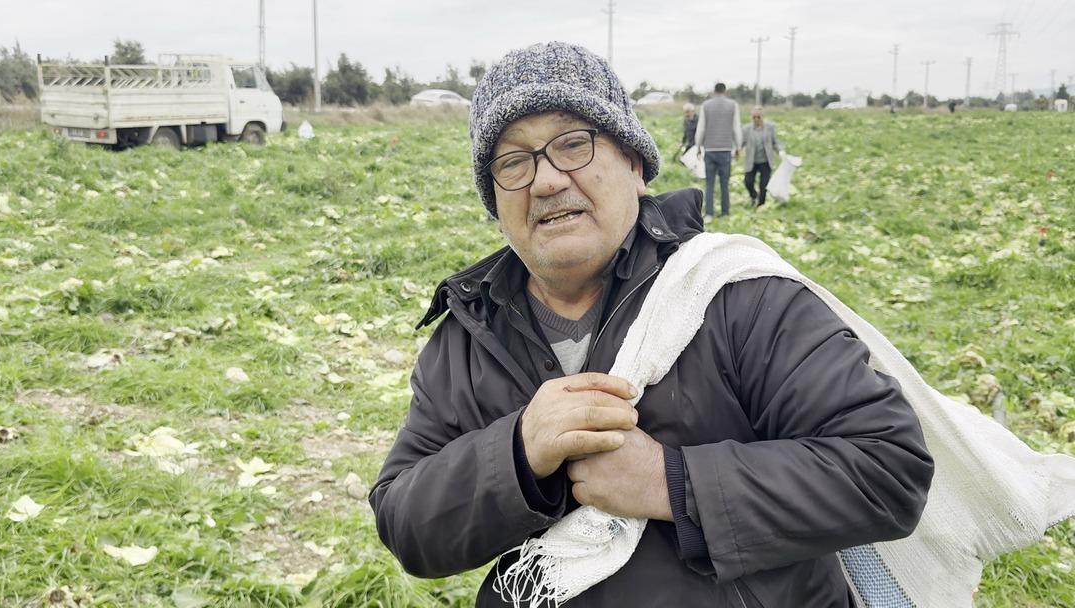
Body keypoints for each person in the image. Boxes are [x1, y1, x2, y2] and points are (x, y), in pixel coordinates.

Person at [370, 41, 933, 607]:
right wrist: (518, 451)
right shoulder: (469, 335)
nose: (545, 181)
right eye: (513, 161)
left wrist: (673, 482)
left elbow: (886, 469)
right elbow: (406, 523)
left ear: (635, 164)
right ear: (494, 198)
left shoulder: (734, 294)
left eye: (573, 144)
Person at [695, 82, 742, 220]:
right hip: (726, 149)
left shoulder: (706, 105)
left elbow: (701, 128)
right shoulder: (733, 105)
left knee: (709, 184)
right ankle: (725, 213)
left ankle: (709, 213)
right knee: (724, 183)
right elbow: (736, 127)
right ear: (725, 91)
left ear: (714, 91)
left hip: (709, 149)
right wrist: (738, 146)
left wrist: (698, 146)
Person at [740, 106, 784, 207]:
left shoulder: (770, 127)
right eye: (754, 117)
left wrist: (780, 151)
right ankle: (754, 195)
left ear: (762, 117)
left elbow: (775, 142)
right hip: (752, 161)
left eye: (758, 117)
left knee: (764, 185)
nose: (756, 119)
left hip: (765, 161)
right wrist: (736, 150)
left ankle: (761, 205)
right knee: (748, 182)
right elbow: (741, 143)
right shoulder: (746, 129)